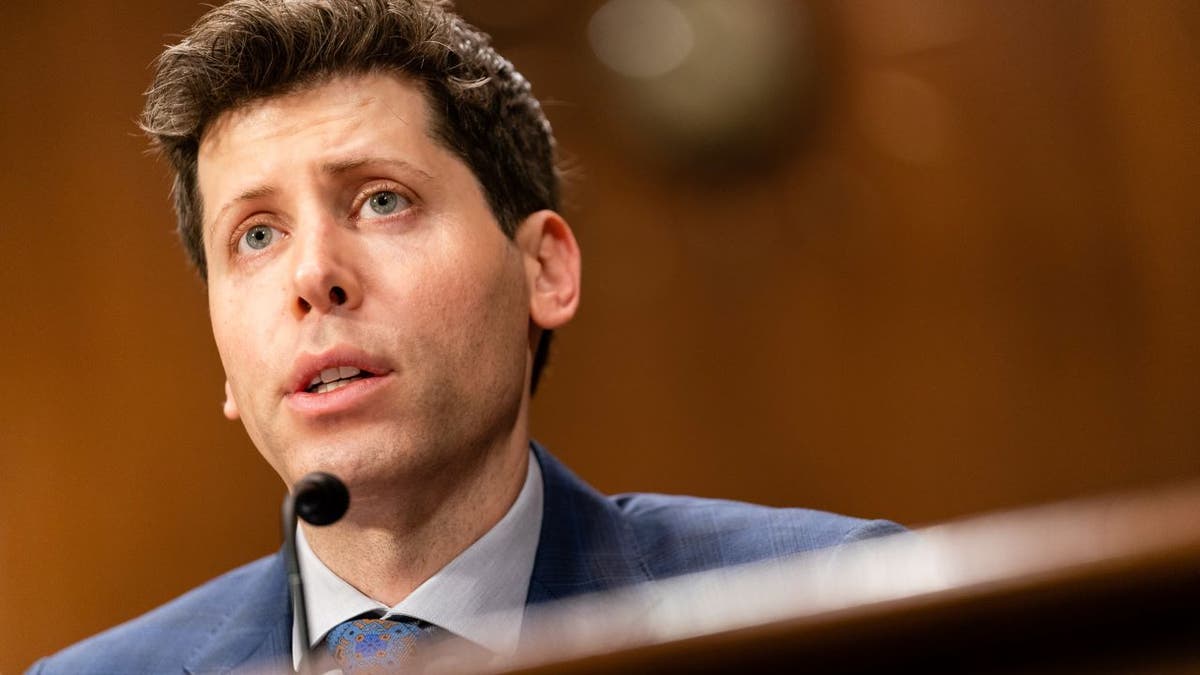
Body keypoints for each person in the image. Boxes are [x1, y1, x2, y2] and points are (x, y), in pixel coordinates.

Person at [30, 1, 903, 672]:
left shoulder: (832, 608)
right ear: (223, 359)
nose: (311, 275)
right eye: (256, 234)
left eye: (381, 199)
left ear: (544, 271)